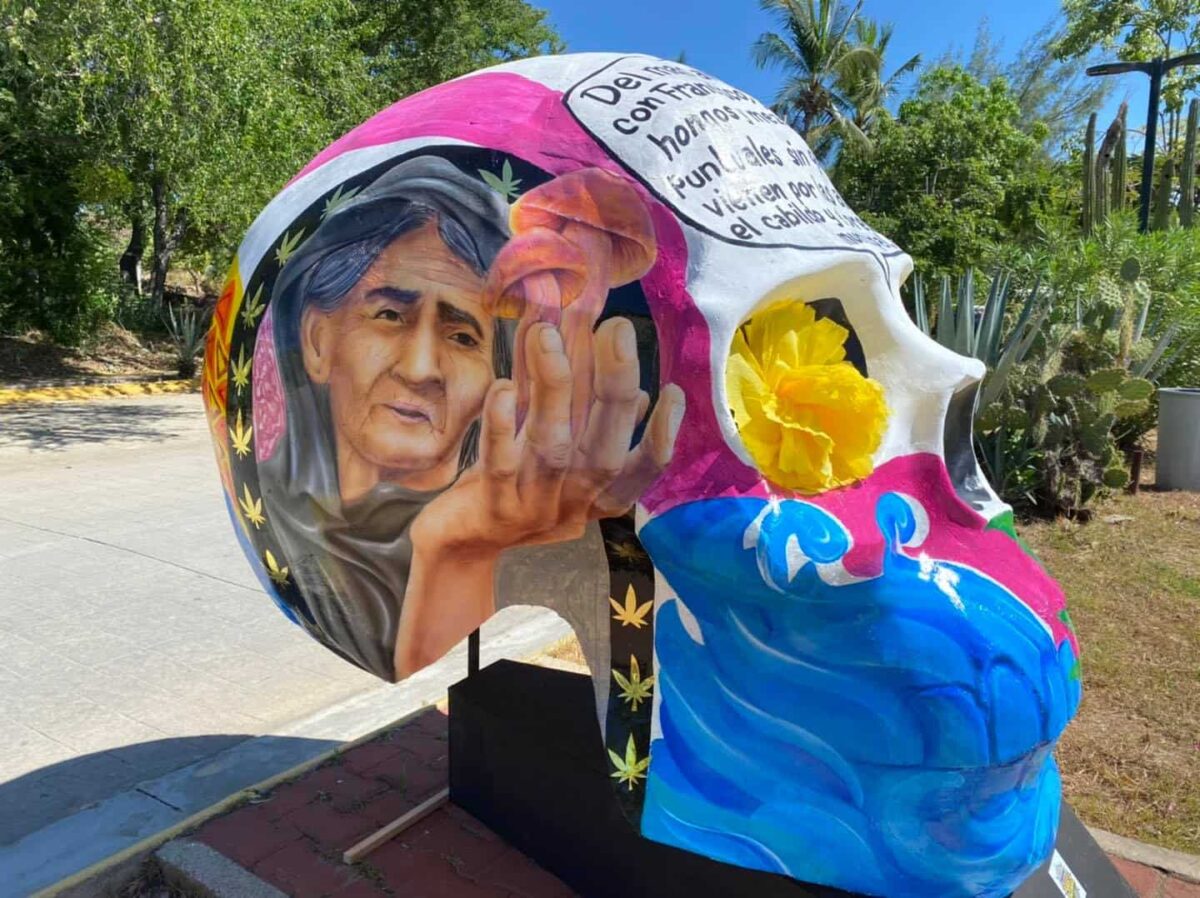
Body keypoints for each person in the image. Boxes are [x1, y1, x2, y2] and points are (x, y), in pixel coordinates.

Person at [261, 155, 683, 680]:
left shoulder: (525, 525)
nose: (420, 370)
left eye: (464, 337)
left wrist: (464, 551)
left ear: (499, 377)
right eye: (390, 315)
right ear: (317, 340)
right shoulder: (279, 512)